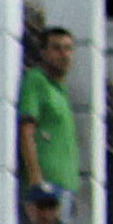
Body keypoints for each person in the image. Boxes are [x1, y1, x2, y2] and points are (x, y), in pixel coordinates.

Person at [18, 29, 80, 213]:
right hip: (46, 187)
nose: (64, 55)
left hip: (66, 184)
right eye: (57, 48)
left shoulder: (62, 90)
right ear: (44, 52)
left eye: (68, 49)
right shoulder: (36, 81)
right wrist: (36, 179)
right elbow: (27, 131)